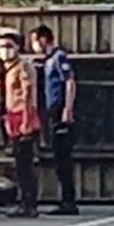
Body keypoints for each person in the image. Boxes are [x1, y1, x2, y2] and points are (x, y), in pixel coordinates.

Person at [31, 24, 80, 216]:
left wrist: (67, 109)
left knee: (63, 157)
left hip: (59, 109)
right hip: (52, 110)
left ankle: (69, 201)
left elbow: (69, 82)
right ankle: (65, 199)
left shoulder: (59, 58)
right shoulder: (47, 61)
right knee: (58, 157)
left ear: (43, 40)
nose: (34, 46)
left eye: (34, 41)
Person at [0, 33, 40, 218]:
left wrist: (26, 120)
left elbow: (27, 93)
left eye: (8, 45)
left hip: (23, 115)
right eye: (1, 46)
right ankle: (24, 201)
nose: (4, 50)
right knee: (19, 162)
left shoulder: (23, 66)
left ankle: (28, 203)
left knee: (25, 163)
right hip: (13, 116)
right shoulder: (9, 69)